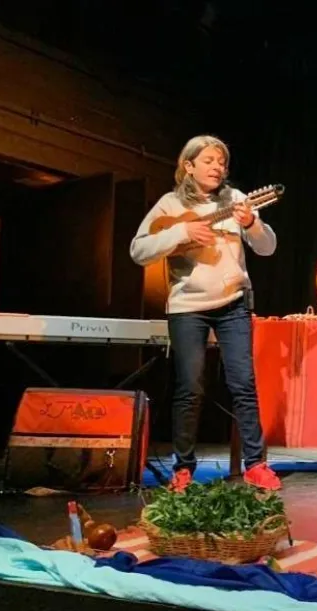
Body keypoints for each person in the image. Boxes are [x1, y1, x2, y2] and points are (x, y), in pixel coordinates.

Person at [129, 135, 282, 492]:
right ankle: (183, 469)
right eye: (209, 160)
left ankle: (256, 464)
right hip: (188, 306)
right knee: (190, 387)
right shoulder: (169, 204)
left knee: (243, 384)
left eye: (221, 162)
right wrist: (183, 231)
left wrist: (250, 224)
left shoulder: (236, 200)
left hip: (233, 303)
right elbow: (139, 250)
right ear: (189, 165)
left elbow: (267, 247)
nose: (217, 167)